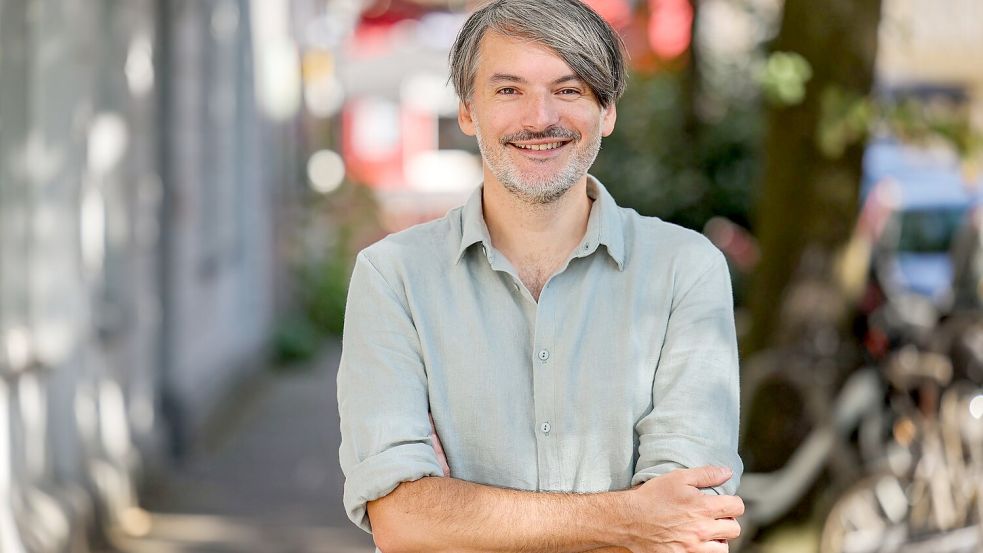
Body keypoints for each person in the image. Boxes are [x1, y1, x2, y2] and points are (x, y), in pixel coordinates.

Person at [337, 0, 744, 551]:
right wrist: (631, 518)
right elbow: (403, 520)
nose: (539, 118)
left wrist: (458, 512)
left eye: (569, 89)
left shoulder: (684, 270)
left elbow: (689, 523)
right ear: (466, 110)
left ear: (608, 112)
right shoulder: (394, 278)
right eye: (508, 90)